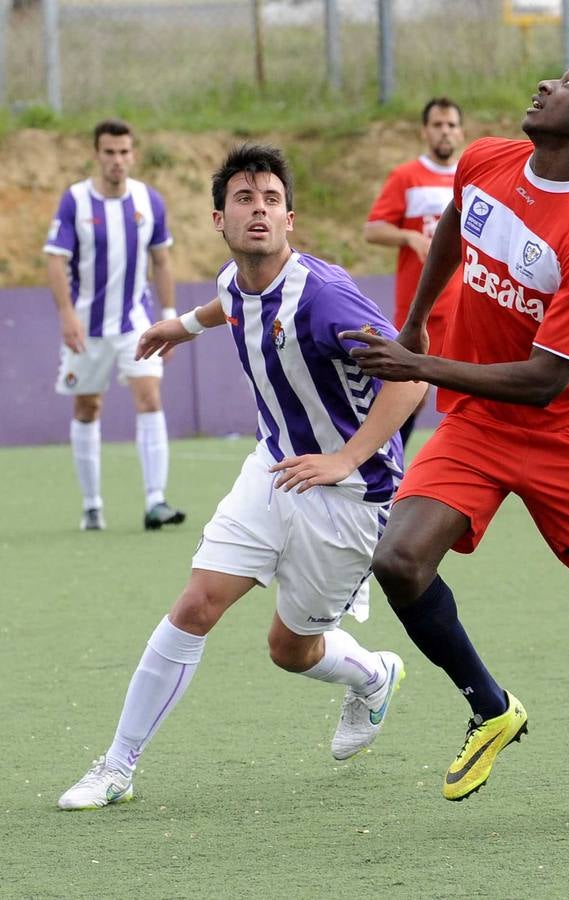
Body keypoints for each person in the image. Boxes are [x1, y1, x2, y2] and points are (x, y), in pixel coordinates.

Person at [341, 56, 569, 817]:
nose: (547, 84)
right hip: (481, 422)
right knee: (397, 560)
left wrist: (420, 361)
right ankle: (490, 706)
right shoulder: (488, 157)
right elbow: (457, 225)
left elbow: (543, 380)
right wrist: (421, 314)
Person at [57, 144, 426, 810]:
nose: (259, 210)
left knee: (289, 648)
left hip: (347, 498)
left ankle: (373, 675)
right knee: (196, 604)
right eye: (244, 200)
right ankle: (117, 766)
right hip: (272, 470)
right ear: (219, 220)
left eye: (271, 201)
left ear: (290, 220)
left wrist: (345, 458)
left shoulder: (323, 297)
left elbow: (407, 374)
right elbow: (227, 305)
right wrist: (179, 325)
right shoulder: (237, 282)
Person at [44, 118, 185, 531]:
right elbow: (55, 259)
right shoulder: (74, 202)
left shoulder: (149, 201)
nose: (117, 160)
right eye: (109, 152)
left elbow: (162, 260)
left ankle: (156, 500)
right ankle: (92, 505)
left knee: (150, 398)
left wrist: (169, 317)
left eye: (124, 152)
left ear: (133, 154)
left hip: (134, 324)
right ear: (96, 154)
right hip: (86, 327)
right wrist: (67, 313)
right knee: (88, 407)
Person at [364, 97, 464, 447]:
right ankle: (383, 464)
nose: (445, 131)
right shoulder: (407, 176)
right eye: (438, 125)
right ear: (425, 131)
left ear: (461, 131)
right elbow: (372, 229)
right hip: (419, 311)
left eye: (451, 124)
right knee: (410, 394)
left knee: (474, 395)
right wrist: (407, 235)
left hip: (465, 311)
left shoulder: (473, 177)